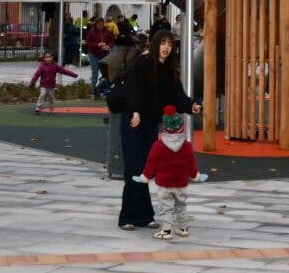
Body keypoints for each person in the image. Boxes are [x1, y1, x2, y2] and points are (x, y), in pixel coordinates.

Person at [119, 30, 199, 231]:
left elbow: (177, 96)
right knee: (134, 168)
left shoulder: (169, 70)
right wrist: (136, 111)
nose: (166, 47)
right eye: (163, 43)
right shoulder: (144, 62)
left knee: (146, 169)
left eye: (170, 44)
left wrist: (191, 105)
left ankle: (145, 215)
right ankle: (127, 216)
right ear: (155, 44)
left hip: (149, 123)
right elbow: (133, 89)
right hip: (133, 120)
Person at [132, 105, 206, 240]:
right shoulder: (187, 146)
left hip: (164, 183)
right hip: (181, 182)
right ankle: (183, 228)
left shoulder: (158, 146)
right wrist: (196, 176)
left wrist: (144, 177)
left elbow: (151, 164)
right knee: (181, 205)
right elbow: (191, 164)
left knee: (165, 207)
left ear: (164, 128)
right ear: (181, 127)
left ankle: (166, 231)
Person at [85, 16, 114, 91]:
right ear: (96, 24)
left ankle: (105, 89)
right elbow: (88, 42)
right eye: (99, 25)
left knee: (106, 73)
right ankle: (93, 91)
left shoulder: (107, 31)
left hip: (105, 54)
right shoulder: (92, 32)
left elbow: (112, 41)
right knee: (95, 73)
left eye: (102, 25)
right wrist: (97, 44)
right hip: (94, 55)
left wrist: (108, 46)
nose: (100, 27)